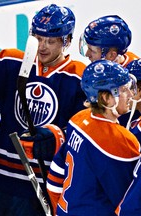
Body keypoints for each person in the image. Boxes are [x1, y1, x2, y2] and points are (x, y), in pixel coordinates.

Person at [0, 4, 87, 216]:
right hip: (2, 179)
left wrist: (56, 135)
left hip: (43, 182)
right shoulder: (10, 62)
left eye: (51, 41)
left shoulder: (79, 78)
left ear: (66, 41)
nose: (42, 47)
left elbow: (83, 129)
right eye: (39, 39)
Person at [46, 59, 140, 215]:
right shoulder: (121, 140)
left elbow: (57, 168)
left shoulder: (78, 119)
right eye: (123, 90)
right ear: (105, 98)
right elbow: (127, 203)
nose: (130, 94)